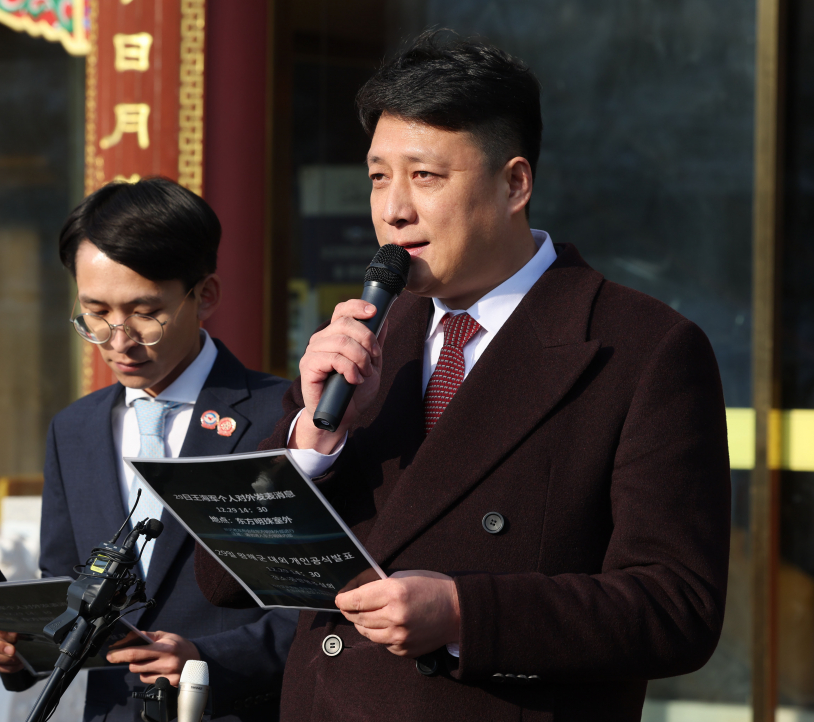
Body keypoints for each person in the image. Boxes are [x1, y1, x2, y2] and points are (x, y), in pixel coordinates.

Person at [194, 31, 731, 721]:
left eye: (425, 176)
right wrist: (310, 444)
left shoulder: (639, 349)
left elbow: (677, 607)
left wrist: (463, 613)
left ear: (515, 183)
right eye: (378, 176)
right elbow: (221, 578)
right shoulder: (361, 340)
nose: (393, 209)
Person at [0, 178, 298, 722]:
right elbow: (67, 591)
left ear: (205, 295)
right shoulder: (74, 429)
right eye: (95, 313)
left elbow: (319, 604)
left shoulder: (281, 417)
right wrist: (15, 650)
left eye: (145, 313)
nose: (118, 341)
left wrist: (205, 660)